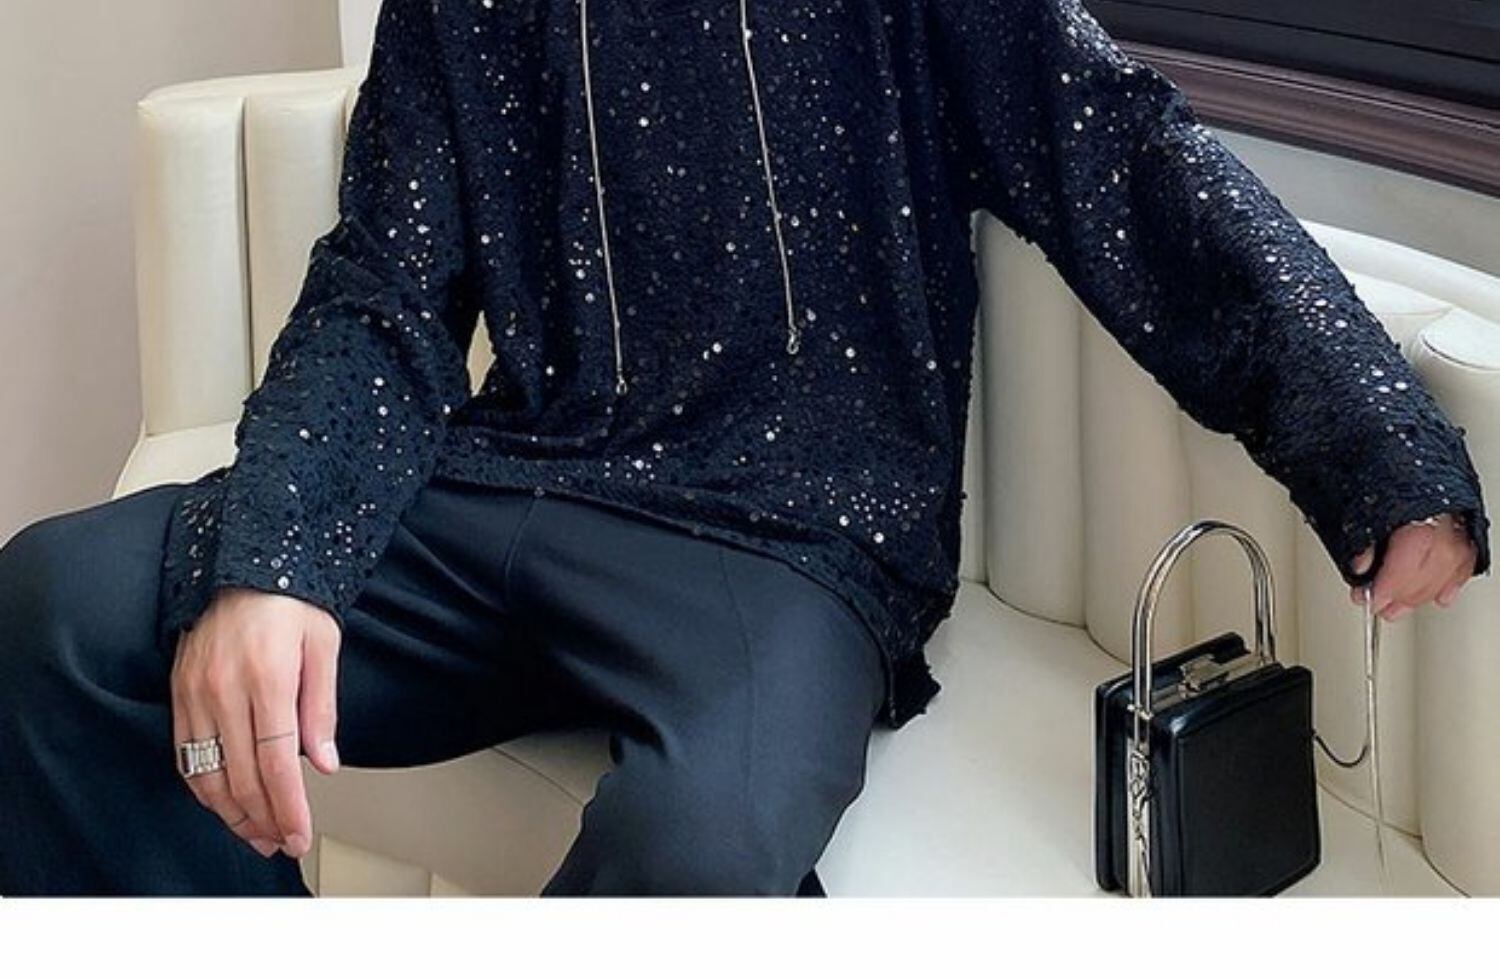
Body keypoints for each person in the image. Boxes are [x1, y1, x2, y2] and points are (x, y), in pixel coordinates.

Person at [0, 0, 1488, 896]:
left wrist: (1376, 447)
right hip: (507, 475)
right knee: (53, 608)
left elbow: (1123, 159)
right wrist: (278, 561)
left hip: (792, 539)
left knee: (699, 852)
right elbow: (385, 286)